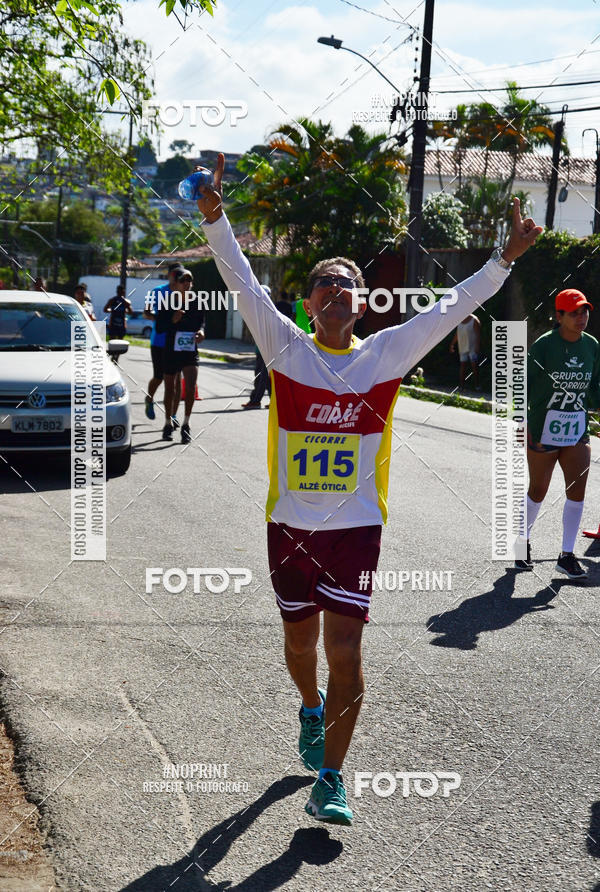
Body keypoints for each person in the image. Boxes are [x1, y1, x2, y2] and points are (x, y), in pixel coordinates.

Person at [197, 153, 542, 826]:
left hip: (355, 531)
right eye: (322, 284)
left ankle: (331, 777)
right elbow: (240, 280)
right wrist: (216, 217)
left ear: (362, 304)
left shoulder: (385, 356)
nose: (333, 293)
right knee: (300, 648)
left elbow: (453, 305)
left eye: (345, 284)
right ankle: (308, 708)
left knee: (346, 651)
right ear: (309, 302)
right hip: (289, 530)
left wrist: (506, 258)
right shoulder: (285, 349)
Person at [515, 289, 600, 578]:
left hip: (577, 429)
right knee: (538, 489)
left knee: (577, 492)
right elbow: (521, 384)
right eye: (574, 312)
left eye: (584, 311)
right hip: (542, 428)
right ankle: (521, 542)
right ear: (559, 316)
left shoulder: (592, 346)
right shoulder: (543, 346)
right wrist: (522, 422)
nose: (581, 317)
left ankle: (566, 555)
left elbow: (595, 388)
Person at [162, 268, 205, 444]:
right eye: (183, 281)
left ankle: (186, 424)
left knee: (190, 387)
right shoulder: (168, 301)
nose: (186, 283)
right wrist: (174, 319)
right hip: (171, 350)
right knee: (170, 389)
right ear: (177, 284)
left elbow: (202, 323)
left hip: (190, 350)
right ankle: (167, 423)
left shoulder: (198, 302)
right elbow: (161, 326)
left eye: (189, 280)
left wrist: (201, 332)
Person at [242, 287, 295, 410]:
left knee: (262, 375)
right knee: (264, 375)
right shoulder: (259, 310)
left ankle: (256, 400)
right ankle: (273, 401)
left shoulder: (270, 310)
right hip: (261, 348)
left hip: (268, 349)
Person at [143, 263, 183, 425]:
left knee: (177, 380)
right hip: (159, 340)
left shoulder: (185, 293)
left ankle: (173, 415)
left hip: (177, 343)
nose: (179, 277)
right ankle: (149, 398)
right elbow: (146, 313)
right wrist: (160, 320)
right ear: (171, 275)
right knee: (159, 377)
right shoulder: (157, 291)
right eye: (177, 274)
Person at [449, 313, 481, 390]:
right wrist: (452, 344)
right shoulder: (459, 319)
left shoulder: (474, 320)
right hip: (462, 347)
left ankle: (477, 385)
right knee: (463, 366)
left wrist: (477, 346)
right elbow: (457, 333)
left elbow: (478, 335)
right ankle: (461, 386)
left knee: (474, 366)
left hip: (472, 348)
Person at [104, 284, 132, 361]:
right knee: (113, 341)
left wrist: (124, 309)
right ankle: (114, 355)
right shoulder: (112, 300)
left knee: (119, 342)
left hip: (121, 325)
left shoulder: (125, 302)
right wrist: (113, 310)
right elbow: (105, 309)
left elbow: (130, 312)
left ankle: (116, 357)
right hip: (113, 324)